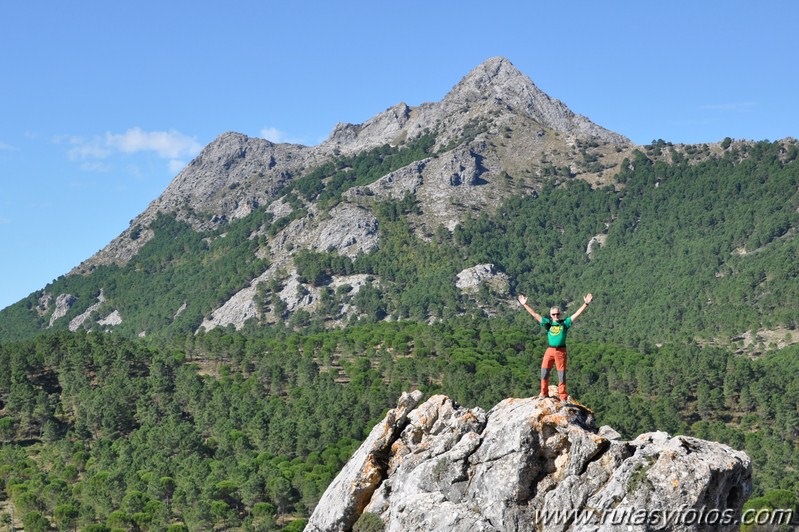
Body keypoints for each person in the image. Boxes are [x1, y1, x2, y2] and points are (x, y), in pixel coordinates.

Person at [517, 292, 593, 401]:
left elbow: (576, 314)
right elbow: (535, 315)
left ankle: (563, 397)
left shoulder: (564, 324)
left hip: (561, 351)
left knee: (561, 374)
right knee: (544, 372)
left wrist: (585, 304)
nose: (556, 316)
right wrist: (525, 304)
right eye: (553, 314)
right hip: (550, 350)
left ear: (560, 314)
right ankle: (543, 393)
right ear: (550, 315)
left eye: (557, 314)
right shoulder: (548, 324)